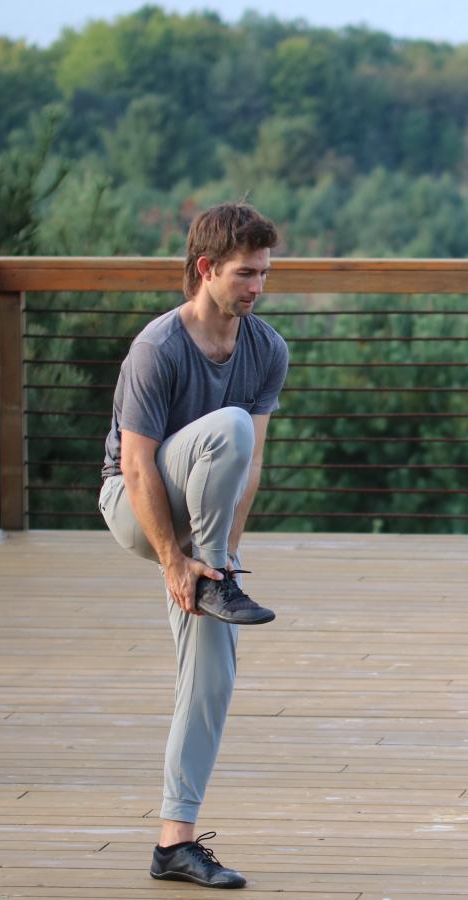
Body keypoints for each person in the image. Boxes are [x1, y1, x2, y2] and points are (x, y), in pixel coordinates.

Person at [98, 202, 289, 887]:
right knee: (228, 425)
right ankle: (210, 580)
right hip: (134, 503)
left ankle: (174, 841)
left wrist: (223, 561)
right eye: (245, 273)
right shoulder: (159, 348)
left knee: (213, 676)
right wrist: (176, 562)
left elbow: (251, 469)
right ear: (206, 268)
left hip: (203, 533)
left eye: (265, 273)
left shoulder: (266, 349)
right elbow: (138, 465)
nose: (257, 287)